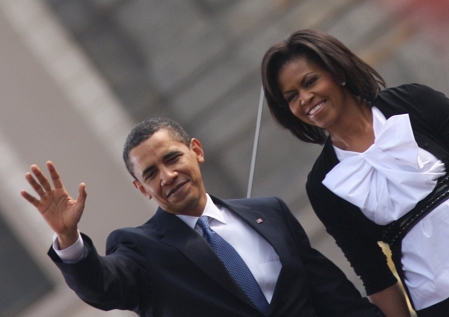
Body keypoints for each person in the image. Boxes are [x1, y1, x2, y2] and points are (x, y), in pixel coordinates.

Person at [20, 118, 385, 317]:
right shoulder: (139, 248)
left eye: (172, 158)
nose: (166, 176)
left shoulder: (269, 212)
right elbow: (103, 286)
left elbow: (336, 298)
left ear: (196, 151)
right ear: (141, 189)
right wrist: (69, 240)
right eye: (150, 174)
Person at [261, 28, 449, 317]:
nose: (306, 98)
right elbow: (375, 276)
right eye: (292, 96)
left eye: (310, 81)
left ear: (337, 71)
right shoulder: (323, 187)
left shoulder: (415, 102)